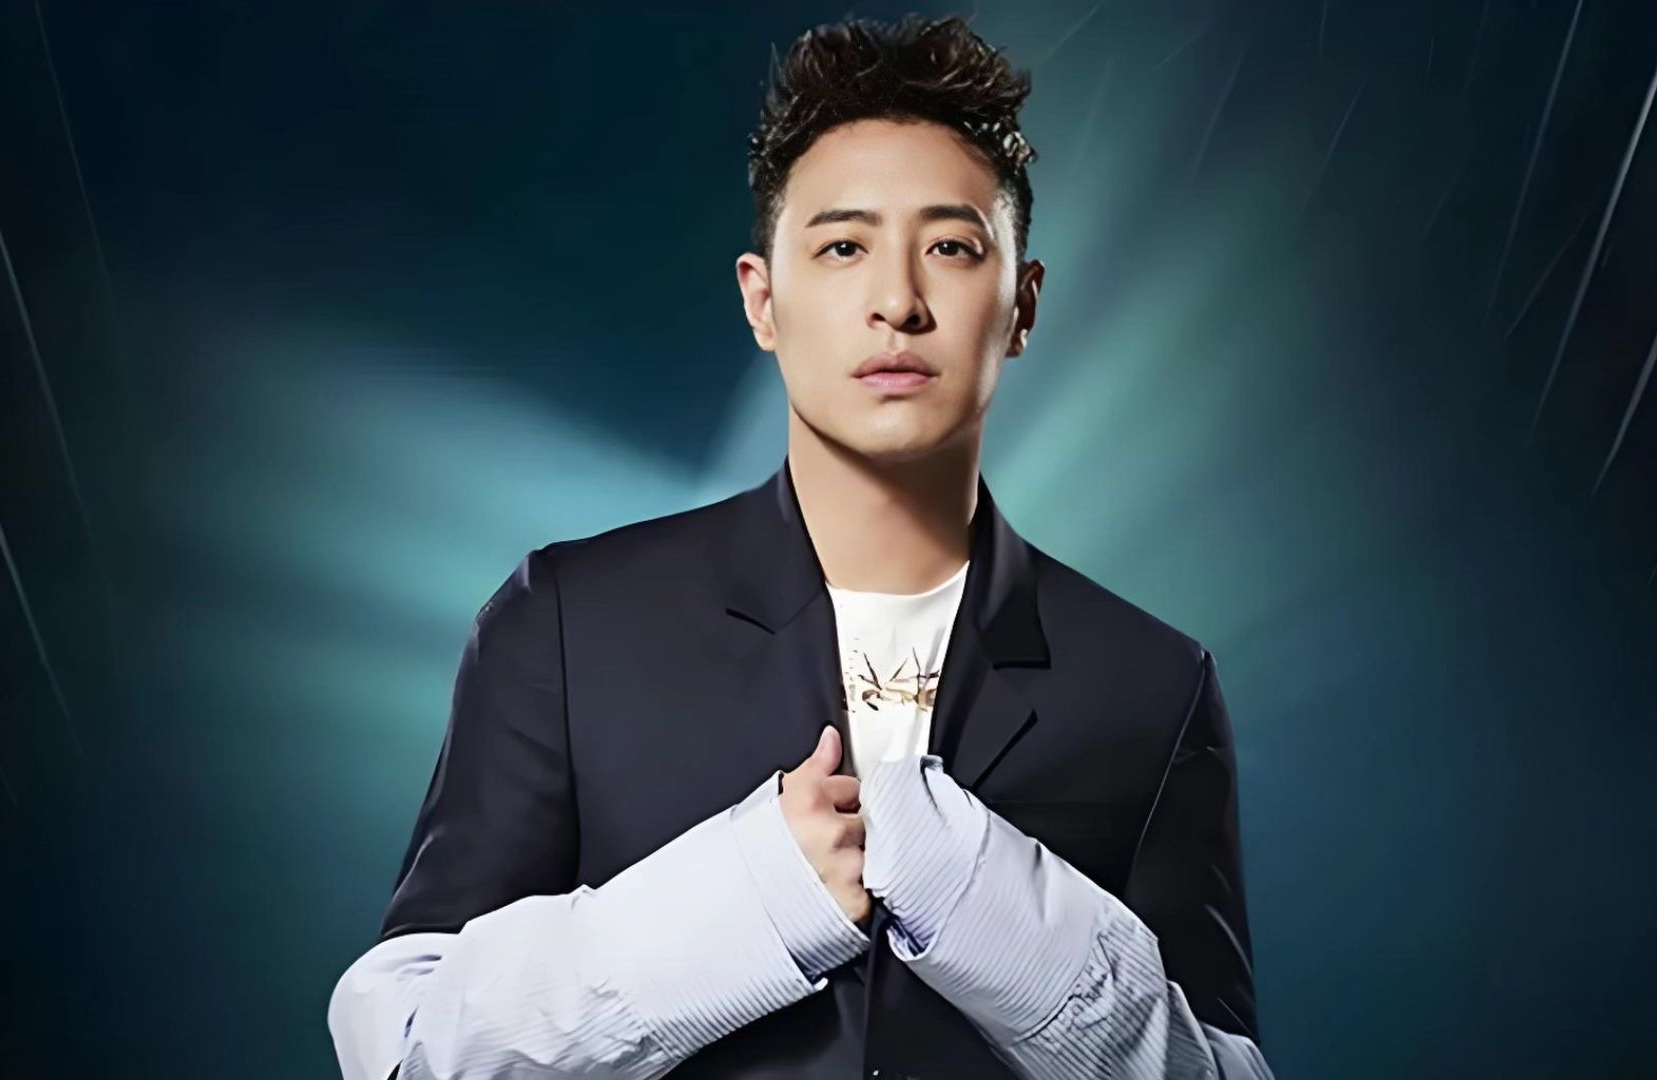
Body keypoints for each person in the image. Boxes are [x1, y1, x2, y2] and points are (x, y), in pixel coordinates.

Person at [328, 14, 1272, 1080]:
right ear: (762, 299)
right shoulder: (566, 623)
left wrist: (1005, 919)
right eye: (843, 247)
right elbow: (402, 1048)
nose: (897, 303)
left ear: (1022, 304)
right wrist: (743, 903)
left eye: (952, 248)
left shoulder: (1154, 683)